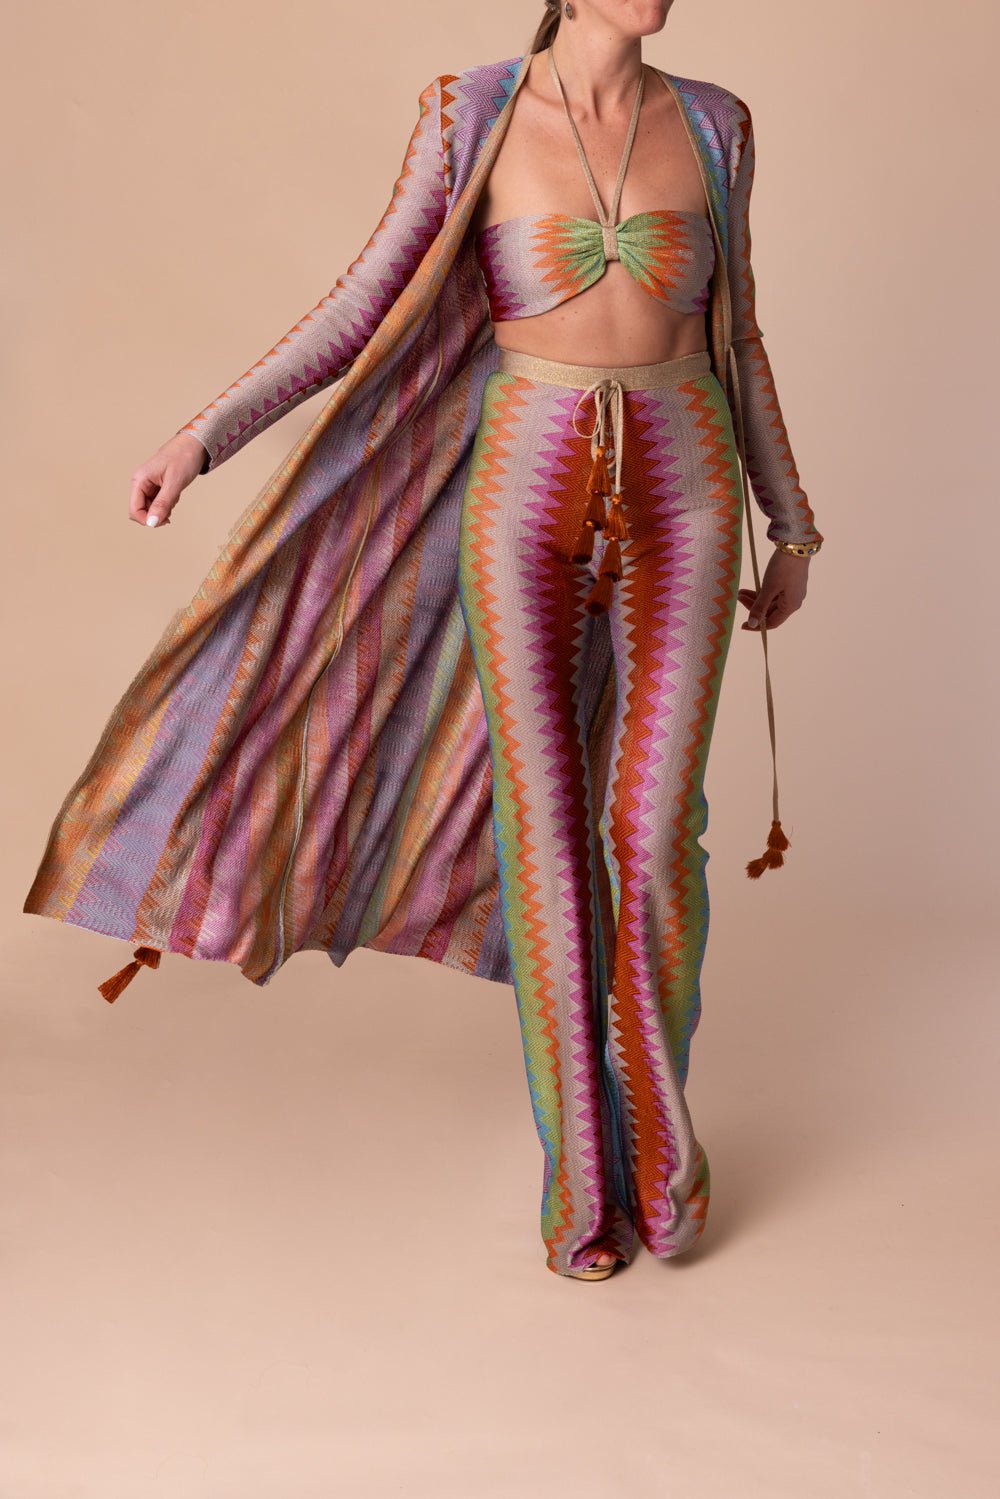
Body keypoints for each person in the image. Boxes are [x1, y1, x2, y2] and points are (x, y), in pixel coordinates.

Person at [24, 0, 823, 1283]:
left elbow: (739, 333)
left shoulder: (716, 123)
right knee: (543, 829)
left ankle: (660, 1154)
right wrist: (202, 436)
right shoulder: (472, 114)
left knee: (657, 832)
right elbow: (360, 307)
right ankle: (582, 1181)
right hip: (524, 487)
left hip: (685, 484)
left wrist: (790, 522)